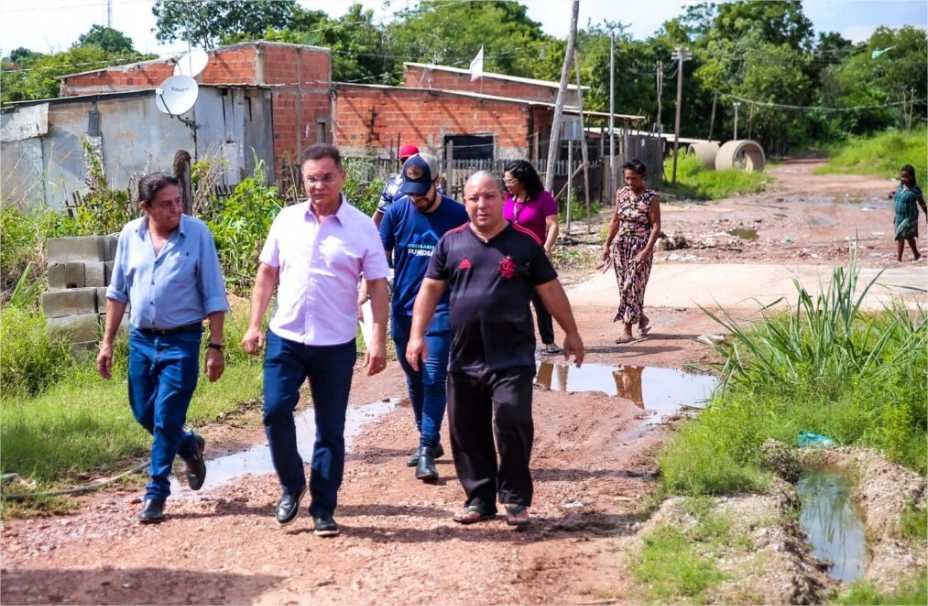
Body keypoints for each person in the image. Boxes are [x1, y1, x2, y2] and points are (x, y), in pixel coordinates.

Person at [406, 171, 584, 527]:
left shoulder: (525, 243)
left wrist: (571, 332)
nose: (481, 204)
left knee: (512, 420)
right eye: (474, 198)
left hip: (512, 356)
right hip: (465, 355)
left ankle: (515, 498)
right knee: (466, 429)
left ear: (503, 198)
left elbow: (550, 290)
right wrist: (416, 335)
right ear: (465, 202)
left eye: (489, 196)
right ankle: (479, 498)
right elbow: (430, 289)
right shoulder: (451, 243)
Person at [241, 144, 390, 537]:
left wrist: (377, 340)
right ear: (302, 180)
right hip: (286, 337)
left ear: (341, 177)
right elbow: (267, 274)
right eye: (311, 178)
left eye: (326, 177)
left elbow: (377, 286)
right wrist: (254, 325)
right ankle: (292, 484)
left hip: (335, 343)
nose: (318, 185)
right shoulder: (286, 220)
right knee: (275, 411)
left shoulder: (362, 227)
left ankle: (324, 507)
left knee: (330, 428)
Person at [97, 172, 229, 524]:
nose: (176, 209)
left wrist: (215, 345)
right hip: (141, 340)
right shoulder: (130, 235)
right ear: (146, 207)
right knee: (144, 413)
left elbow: (214, 293)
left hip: (183, 340)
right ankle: (188, 445)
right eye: (166, 204)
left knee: (167, 417)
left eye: (178, 201)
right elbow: (118, 293)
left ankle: (156, 493)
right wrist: (107, 343)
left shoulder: (197, 234)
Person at [379, 153, 468, 482]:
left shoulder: (457, 215)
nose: (416, 198)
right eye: (410, 192)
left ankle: (427, 448)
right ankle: (427, 435)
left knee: (433, 377)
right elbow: (380, 255)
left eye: (421, 192)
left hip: (441, 310)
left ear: (437, 183)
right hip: (403, 309)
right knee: (414, 376)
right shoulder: (397, 211)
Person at [503, 160, 561, 355]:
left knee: (541, 300)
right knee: (512, 300)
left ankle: (548, 340)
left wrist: (546, 248)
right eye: (505, 180)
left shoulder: (543, 198)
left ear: (523, 180)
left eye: (510, 180)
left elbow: (553, 224)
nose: (507, 184)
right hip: (510, 257)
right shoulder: (506, 199)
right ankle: (516, 341)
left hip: (535, 256)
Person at [601, 159, 661, 344]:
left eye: (633, 178)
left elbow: (656, 227)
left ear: (642, 177)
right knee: (624, 286)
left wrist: (646, 251)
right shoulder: (621, 194)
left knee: (633, 285)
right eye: (627, 178)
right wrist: (607, 245)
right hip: (621, 246)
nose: (630, 182)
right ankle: (640, 317)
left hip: (640, 247)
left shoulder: (651, 197)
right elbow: (615, 221)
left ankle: (627, 330)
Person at [373, 144, 420, 227]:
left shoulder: (430, 184)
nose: (407, 163)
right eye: (404, 160)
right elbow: (380, 213)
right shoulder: (393, 184)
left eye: (411, 160)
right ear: (400, 162)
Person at [889, 164, 927, 261]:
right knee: (909, 236)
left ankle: (899, 259)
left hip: (909, 217)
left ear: (912, 176)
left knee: (900, 235)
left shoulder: (915, 189)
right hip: (899, 216)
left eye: (906, 176)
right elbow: (898, 194)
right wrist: (892, 194)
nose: (903, 179)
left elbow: (922, 203)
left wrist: (926, 214)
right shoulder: (901, 187)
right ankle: (916, 254)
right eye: (902, 176)